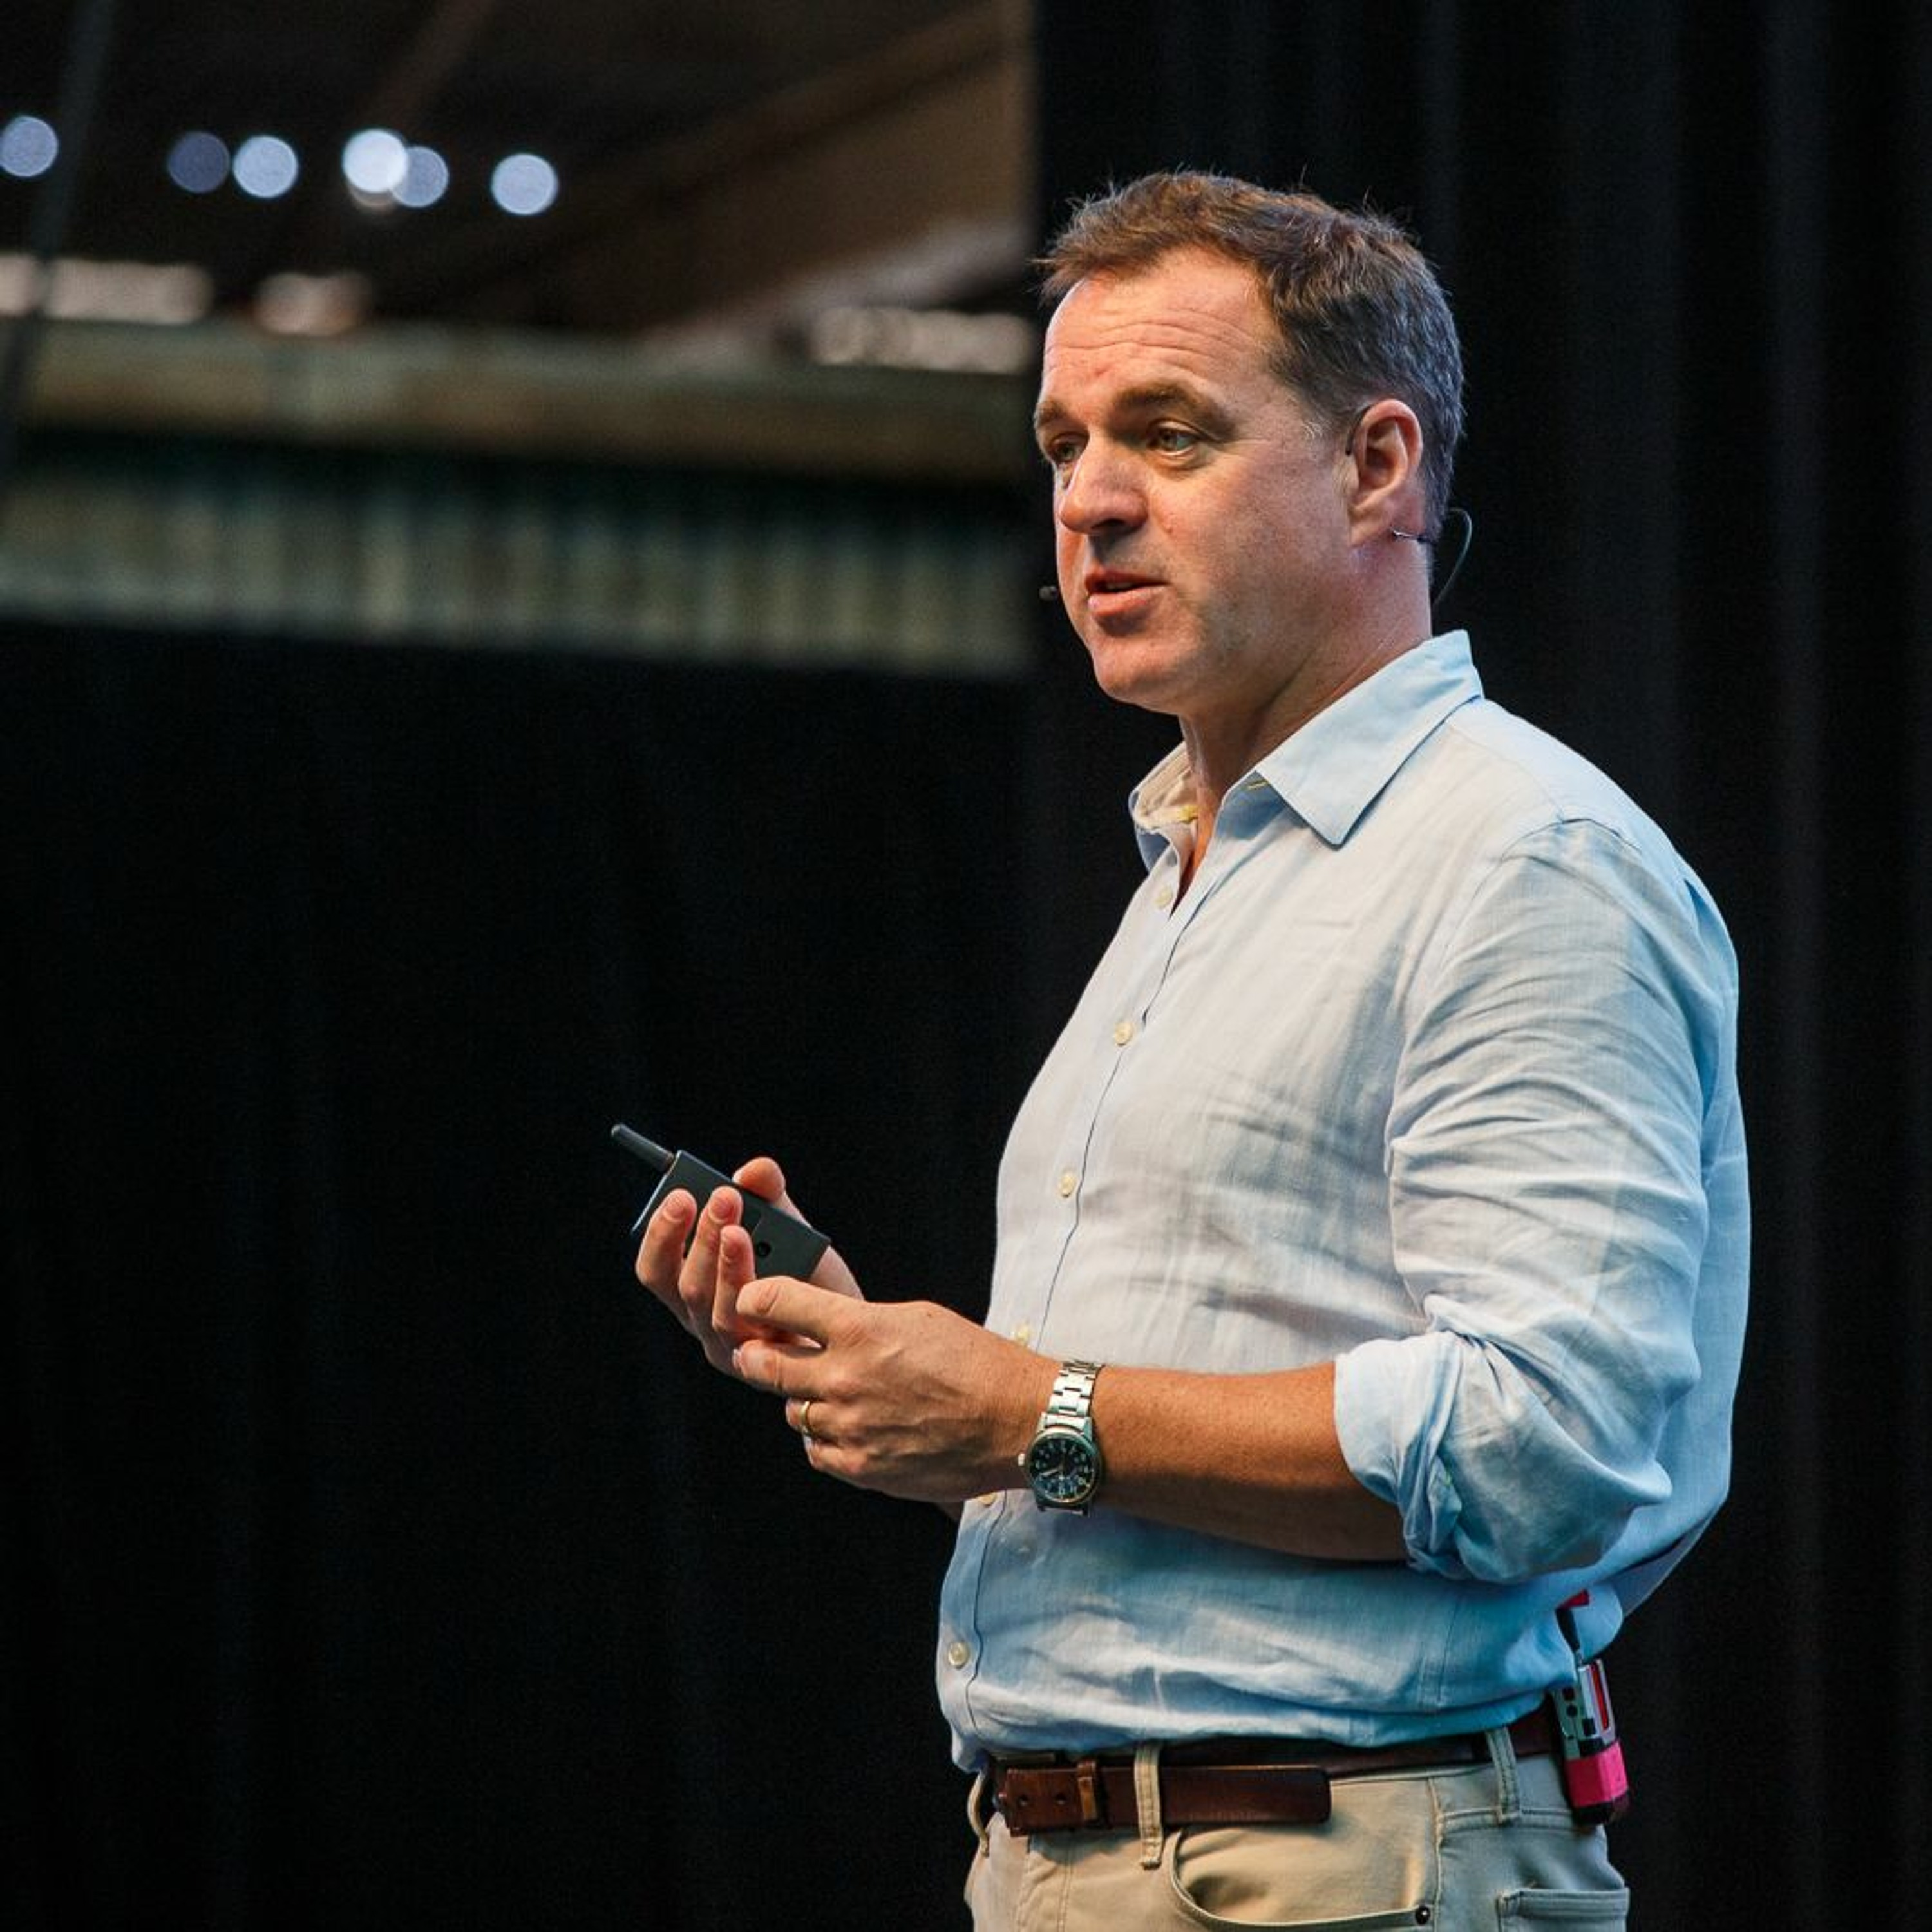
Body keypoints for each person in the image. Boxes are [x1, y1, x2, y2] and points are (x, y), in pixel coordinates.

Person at [634, 171, 1747, 1930]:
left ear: (1377, 467)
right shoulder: (1191, 867)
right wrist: (904, 1379)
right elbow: (1150, 1418)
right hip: (1098, 1859)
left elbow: (1545, 1439)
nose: (1089, 499)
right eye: (1063, 444)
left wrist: (1026, 1411)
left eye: (1168, 433)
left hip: (1333, 1865)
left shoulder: (1520, 859)